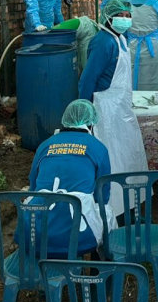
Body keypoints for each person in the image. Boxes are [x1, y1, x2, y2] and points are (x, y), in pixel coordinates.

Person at [78, 0, 148, 216]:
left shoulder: (121, 39)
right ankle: (113, 206)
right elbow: (87, 80)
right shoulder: (103, 42)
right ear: (108, 16)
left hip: (121, 108)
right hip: (106, 109)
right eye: (121, 15)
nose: (125, 19)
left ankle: (131, 199)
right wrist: (85, 113)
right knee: (112, 156)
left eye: (128, 15)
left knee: (127, 152)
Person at [21, 99, 113, 256]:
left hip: (35, 237)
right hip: (79, 238)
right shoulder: (98, 148)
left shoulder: (44, 145)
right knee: (106, 213)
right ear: (91, 124)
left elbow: (33, 187)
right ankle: (98, 274)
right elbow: (102, 196)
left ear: (65, 120)